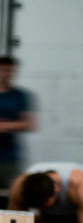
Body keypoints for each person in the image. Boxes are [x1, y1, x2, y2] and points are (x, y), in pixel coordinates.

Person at [0, 56, 37, 190]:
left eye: (10, 71)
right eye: (3, 70)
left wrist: (5, 125)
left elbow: (29, 124)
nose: (6, 74)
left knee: (13, 196)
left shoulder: (20, 96)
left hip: (11, 159)